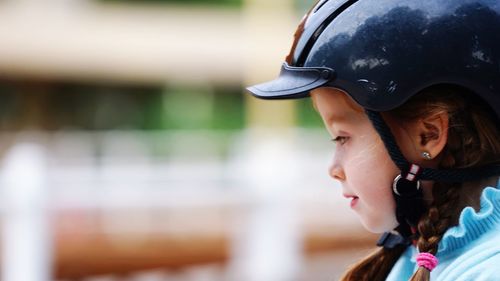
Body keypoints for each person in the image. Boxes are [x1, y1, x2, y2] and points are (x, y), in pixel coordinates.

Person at [246, 0, 500, 280]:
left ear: (429, 135)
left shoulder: (487, 270)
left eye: (342, 138)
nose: (333, 169)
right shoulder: (419, 254)